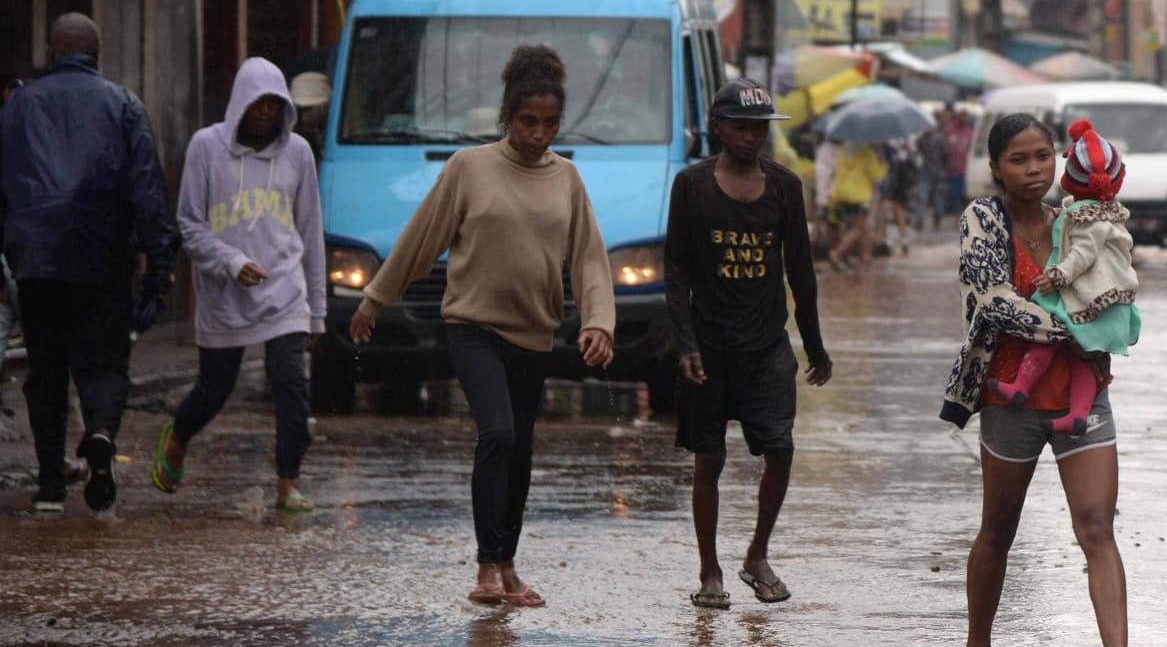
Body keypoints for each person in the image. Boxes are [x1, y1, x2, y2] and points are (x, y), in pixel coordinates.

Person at [350, 46, 615, 607]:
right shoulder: (468, 169)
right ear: (507, 117)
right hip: (471, 327)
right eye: (527, 122)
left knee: (519, 449)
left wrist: (600, 323)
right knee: (496, 433)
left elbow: (589, 256)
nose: (538, 134)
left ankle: (509, 566)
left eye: (549, 124)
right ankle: (485, 569)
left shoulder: (567, 178)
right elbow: (421, 240)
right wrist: (374, 300)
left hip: (534, 333)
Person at [942, 113, 1167, 647]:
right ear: (995, 168)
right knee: (999, 529)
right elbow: (991, 303)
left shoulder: (1076, 217)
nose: (1034, 169)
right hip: (1009, 397)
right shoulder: (981, 221)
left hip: (1083, 394)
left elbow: (1114, 278)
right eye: (1019, 159)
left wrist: (1105, 330)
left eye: (1043, 156)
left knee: (1097, 527)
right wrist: (1072, 329)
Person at [665, 79, 833, 611]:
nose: (750, 136)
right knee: (708, 457)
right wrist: (685, 343)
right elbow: (676, 271)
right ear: (718, 126)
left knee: (780, 449)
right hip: (709, 350)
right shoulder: (691, 186)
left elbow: (800, 272)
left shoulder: (785, 187)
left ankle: (757, 555)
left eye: (758, 127)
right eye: (739, 125)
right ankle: (709, 569)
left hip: (766, 348)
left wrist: (814, 345)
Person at [0, 14, 177, 513]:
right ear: (97, 55)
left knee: (46, 370)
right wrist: (158, 270)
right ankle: (99, 435)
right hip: (101, 262)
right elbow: (148, 193)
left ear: (52, 53)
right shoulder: (123, 105)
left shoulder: (17, 107)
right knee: (103, 365)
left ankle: (51, 483)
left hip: (34, 262)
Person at [152, 58, 326, 512]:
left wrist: (318, 311)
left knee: (291, 384)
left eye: (274, 106)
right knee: (215, 388)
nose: (266, 114)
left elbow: (310, 232)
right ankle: (181, 431)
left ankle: (288, 480)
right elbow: (189, 225)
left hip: (285, 291)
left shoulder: (299, 154)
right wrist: (230, 262)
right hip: (225, 295)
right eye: (258, 105)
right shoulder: (205, 148)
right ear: (240, 105)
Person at [1004, 119, 1141, 438]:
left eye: (1042, 157)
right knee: (1086, 360)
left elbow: (1082, 254)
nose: (1034, 169)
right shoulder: (1108, 213)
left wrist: (1056, 275)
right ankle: (1078, 415)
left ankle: (1020, 387)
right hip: (1110, 300)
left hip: (1093, 299)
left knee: (1048, 333)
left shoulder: (1085, 219)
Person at [826, 140, 888, 275]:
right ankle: (836, 253)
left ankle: (860, 260)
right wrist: (882, 165)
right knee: (860, 228)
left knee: (851, 227)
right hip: (859, 196)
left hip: (842, 194)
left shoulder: (842, 152)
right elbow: (877, 176)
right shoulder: (868, 154)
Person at [942, 108, 974, 216]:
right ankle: (954, 213)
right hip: (951, 170)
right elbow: (943, 150)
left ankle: (960, 215)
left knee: (963, 195)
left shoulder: (969, 133)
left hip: (965, 170)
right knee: (952, 194)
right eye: (961, 117)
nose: (963, 119)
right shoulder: (948, 131)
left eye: (965, 117)